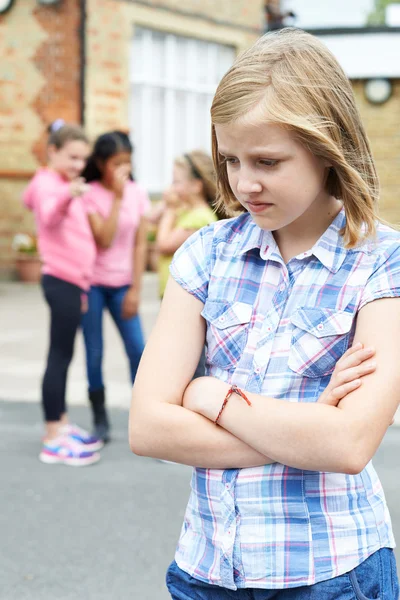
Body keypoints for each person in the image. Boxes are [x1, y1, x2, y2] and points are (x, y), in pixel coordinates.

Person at [129, 28, 400, 599]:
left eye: (268, 161)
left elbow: (349, 445)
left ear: (329, 149)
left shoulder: (382, 263)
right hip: (205, 571)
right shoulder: (205, 254)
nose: (243, 183)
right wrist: (302, 431)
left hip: (332, 573)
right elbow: (148, 427)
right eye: (229, 159)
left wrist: (212, 399)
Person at [23, 121, 102, 467]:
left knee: (64, 355)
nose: (78, 165)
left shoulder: (58, 182)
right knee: (59, 356)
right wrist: (68, 197)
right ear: (52, 151)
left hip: (73, 282)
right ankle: (53, 436)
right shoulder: (48, 185)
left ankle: (62, 423)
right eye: (71, 157)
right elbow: (47, 213)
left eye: (82, 159)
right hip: (61, 280)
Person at [81, 131, 150, 443]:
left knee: (138, 349)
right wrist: (118, 198)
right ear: (100, 163)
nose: (123, 169)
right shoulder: (90, 193)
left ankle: (144, 420)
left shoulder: (139, 193)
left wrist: (135, 289)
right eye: (116, 163)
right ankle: (100, 421)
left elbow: (140, 246)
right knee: (94, 352)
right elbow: (104, 240)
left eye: (127, 162)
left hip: (123, 284)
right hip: (92, 285)